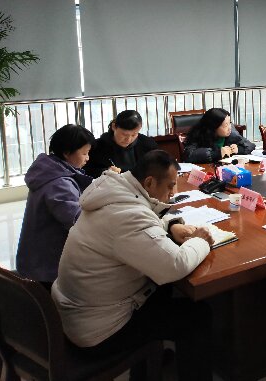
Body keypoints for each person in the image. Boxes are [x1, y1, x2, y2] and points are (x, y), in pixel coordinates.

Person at [51, 150, 215, 381]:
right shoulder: (127, 216)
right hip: (98, 331)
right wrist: (201, 240)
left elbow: (143, 219)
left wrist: (171, 226)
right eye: (170, 186)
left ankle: (149, 367)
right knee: (196, 315)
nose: (173, 193)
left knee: (163, 290)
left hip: (79, 313)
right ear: (149, 182)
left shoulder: (115, 193)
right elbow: (175, 265)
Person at [16, 125, 95, 289]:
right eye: (84, 153)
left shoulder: (50, 170)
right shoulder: (59, 183)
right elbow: (76, 220)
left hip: (37, 258)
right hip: (46, 265)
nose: (88, 158)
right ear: (67, 152)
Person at [84, 110, 158, 178]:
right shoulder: (97, 147)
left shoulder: (148, 145)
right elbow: (86, 171)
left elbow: (157, 169)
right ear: (114, 127)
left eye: (134, 135)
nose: (128, 139)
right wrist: (105, 171)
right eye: (124, 134)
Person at [183, 107, 255, 163]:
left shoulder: (231, 132)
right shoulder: (199, 134)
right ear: (213, 127)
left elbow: (250, 146)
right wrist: (217, 153)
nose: (229, 127)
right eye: (225, 125)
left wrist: (238, 149)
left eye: (230, 123)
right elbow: (189, 155)